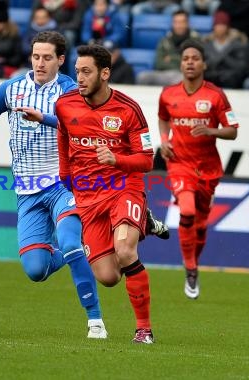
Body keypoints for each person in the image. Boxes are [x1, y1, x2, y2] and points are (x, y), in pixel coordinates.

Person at [0, 31, 108, 339]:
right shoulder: (12, 88)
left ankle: (95, 321)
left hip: (64, 184)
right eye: (36, 56)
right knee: (36, 270)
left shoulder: (71, 92)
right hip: (27, 190)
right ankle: (81, 249)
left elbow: (85, 128)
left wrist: (44, 118)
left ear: (61, 60)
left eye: (47, 57)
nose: (40, 63)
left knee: (70, 241)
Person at [57, 44, 156, 344]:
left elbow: (148, 159)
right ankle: (146, 224)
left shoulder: (129, 109)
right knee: (109, 277)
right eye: (77, 72)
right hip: (88, 198)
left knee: (126, 250)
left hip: (123, 188)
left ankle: (144, 330)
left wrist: (117, 160)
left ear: (105, 73)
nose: (80, 78)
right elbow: (64, 136)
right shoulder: (65, 104)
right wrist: (65, 175)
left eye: (86, 72)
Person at [158, 39, 239, 299]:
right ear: (180, 64)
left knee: (201, 225)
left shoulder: (215, 95)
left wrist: (211, 130)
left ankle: (194, 265)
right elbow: (162, 118)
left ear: (204, 63)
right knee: (188, 211)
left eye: (194, 58)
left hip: (208, 168)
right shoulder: (168, 93)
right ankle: (190, 268)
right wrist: (164, 141)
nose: (190, 62)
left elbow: (233, 131)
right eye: (185, 58)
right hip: (179, 163)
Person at [137, 10, 200, 86]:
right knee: (142, 77)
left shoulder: (195, 40)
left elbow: (192, 65)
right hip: (163, 74)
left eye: (182, 22)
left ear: (187, 23)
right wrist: (179, 60)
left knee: (181, 80)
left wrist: (171, 58)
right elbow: (158, 63)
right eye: (176, 22)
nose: (179, 25)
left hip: (182, 75)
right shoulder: (165, 40)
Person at [201, 10, 248, 88]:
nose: (220, 28)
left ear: (227, 27)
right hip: (211, 79)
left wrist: (223, 57)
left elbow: (241, 66)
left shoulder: (237, 44)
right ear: (214, 26)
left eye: (222, 25)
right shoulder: (206, 44)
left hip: (230, 80)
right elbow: (203, 66)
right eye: (217, 25)